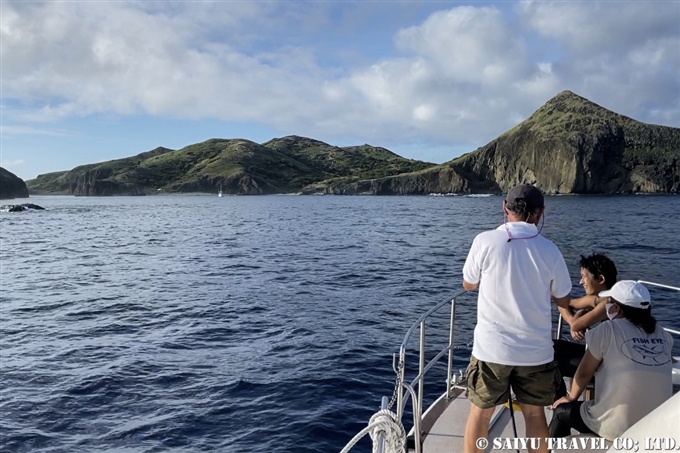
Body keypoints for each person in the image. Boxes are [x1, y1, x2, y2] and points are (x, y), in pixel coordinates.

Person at [462, 184, 572, 453]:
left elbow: (468, 284)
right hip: (535, 351)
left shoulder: (484, 241)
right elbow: (564, 299)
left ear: (504, 208)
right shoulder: (550, 250)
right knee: (535, 415)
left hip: (492, 350)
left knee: (480, 415)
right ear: (540, 213)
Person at [549, 280, 673, 440]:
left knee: (561, 412)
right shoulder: (664, 335)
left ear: (616, 308)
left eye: (609, 302)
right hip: (654, 426)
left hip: (617, 428)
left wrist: (570, 397)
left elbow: (585, 372)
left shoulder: (608, 329)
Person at [554, 253, 618, 397]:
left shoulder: (609, 302)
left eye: (584, 277)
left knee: (552, 364)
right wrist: (574, 320)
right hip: (603, 355)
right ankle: (561, 403)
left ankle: (562, 403)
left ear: (601, 279)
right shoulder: (599, 299)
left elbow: (576, 325)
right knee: (551, 348)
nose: (581, 282)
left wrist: (576, 322)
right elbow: (563, 304)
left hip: (612, 362)